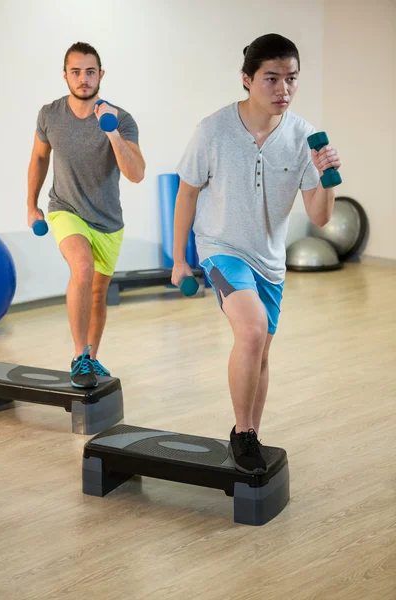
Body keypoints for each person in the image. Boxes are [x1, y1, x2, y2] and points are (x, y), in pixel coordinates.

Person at [172, 33, 341, 474]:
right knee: (251, 331)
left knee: (260, 350)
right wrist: (179, 258)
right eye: (271, 79)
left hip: (270, 261)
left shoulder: (305, 137)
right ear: (247, 80)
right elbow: (187, 193)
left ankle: (251, 432)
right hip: (221, 250)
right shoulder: (213, 130)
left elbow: (320, 218)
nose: (283, 89)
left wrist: (329, 177)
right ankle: (242, 434)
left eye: (292, 79)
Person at [27, 42, 145, 388]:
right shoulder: (50, 114)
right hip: (65, 208)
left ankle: (91, 357)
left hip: (108, 221)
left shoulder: (121, 119)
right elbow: (38, 159)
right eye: (75, 71)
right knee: (82, 267)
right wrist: (31, 204)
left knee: (97, 294)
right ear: (65, 75)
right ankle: (80, 356)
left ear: (100, 75)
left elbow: (136, 173)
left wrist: (110, 131)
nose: (83, 78)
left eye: (90, 71)